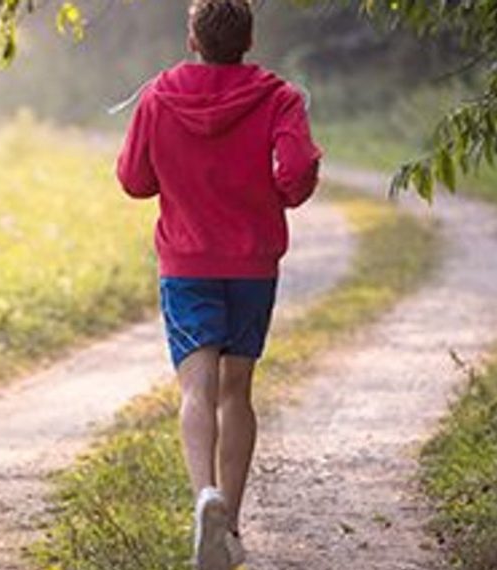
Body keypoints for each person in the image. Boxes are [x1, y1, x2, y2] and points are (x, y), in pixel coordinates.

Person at [116, 0, 321, 568]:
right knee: (237, 393)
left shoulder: (158, 96)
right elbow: (297, 171)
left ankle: (204, 493)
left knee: (196, 390)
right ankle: (228, 524)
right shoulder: (279, 97)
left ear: (193, 39)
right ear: (248, 40)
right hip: (252, 263)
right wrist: (278, 193)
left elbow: (134, 180)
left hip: (186, 262)